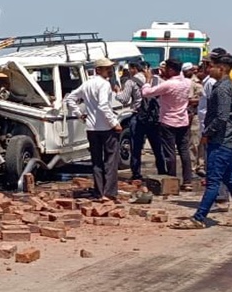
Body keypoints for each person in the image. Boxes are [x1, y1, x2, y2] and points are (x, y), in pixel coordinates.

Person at [172, 53, 232, 229]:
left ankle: (199, 218)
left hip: (221, 140)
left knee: (213, 180)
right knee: (230, 179)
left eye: (211, 66)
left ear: (221, 68)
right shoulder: (225, 86)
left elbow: (222, 117)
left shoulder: (223, 88)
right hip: (227, 139)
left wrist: (207, 133)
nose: (208, 69)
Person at [65, 58, 122, 201]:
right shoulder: (104, 84)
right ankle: (109, 193)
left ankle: (99, 192)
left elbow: (70, 99)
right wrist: (114, 122)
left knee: (97, 161)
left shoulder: (87, 84)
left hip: (91, 128)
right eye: (106, 68)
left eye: (110, 68)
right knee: (110, 160)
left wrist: (79, 114)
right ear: (98, 70)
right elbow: (103, 105)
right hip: (106, 127)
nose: (110, 71)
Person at [142, 58, 193, 187]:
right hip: (183, 120)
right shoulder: (187, 82)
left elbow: (146, 93)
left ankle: (171, 181)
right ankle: (187, 181)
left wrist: (148, 80)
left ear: (171, 70)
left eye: (165, 68)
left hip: (168, 121)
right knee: (184, 151)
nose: (161, 70)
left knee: (169, 153)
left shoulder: (168, 84)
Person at [115, 61, 166, 180]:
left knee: (136, 147)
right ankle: (162, 172)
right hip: (154, 118)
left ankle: (136, 174)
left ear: (134, 68)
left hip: (138, 117)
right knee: (158, 147)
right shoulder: (158, 80)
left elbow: (124, 99)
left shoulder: (131, 82)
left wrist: (117, 92)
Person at [184, 62, 203, 189]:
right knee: (194, 142)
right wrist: (204, 100)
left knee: (202, 142)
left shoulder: (206, 81)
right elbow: (189, 100)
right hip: (194, 114)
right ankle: (191, 168)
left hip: (203, 115)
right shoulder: (191, 83)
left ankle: (200, 166)